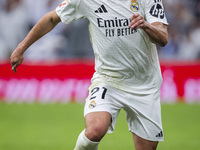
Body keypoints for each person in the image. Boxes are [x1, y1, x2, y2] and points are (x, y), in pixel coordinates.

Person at [10, 0, 168, 149]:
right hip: (108, 80)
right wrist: (21, 48)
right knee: (95, 130)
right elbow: (52, 18)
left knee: (147, 147)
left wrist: (146, 25)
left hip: (145, 84)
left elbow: (163, 38)